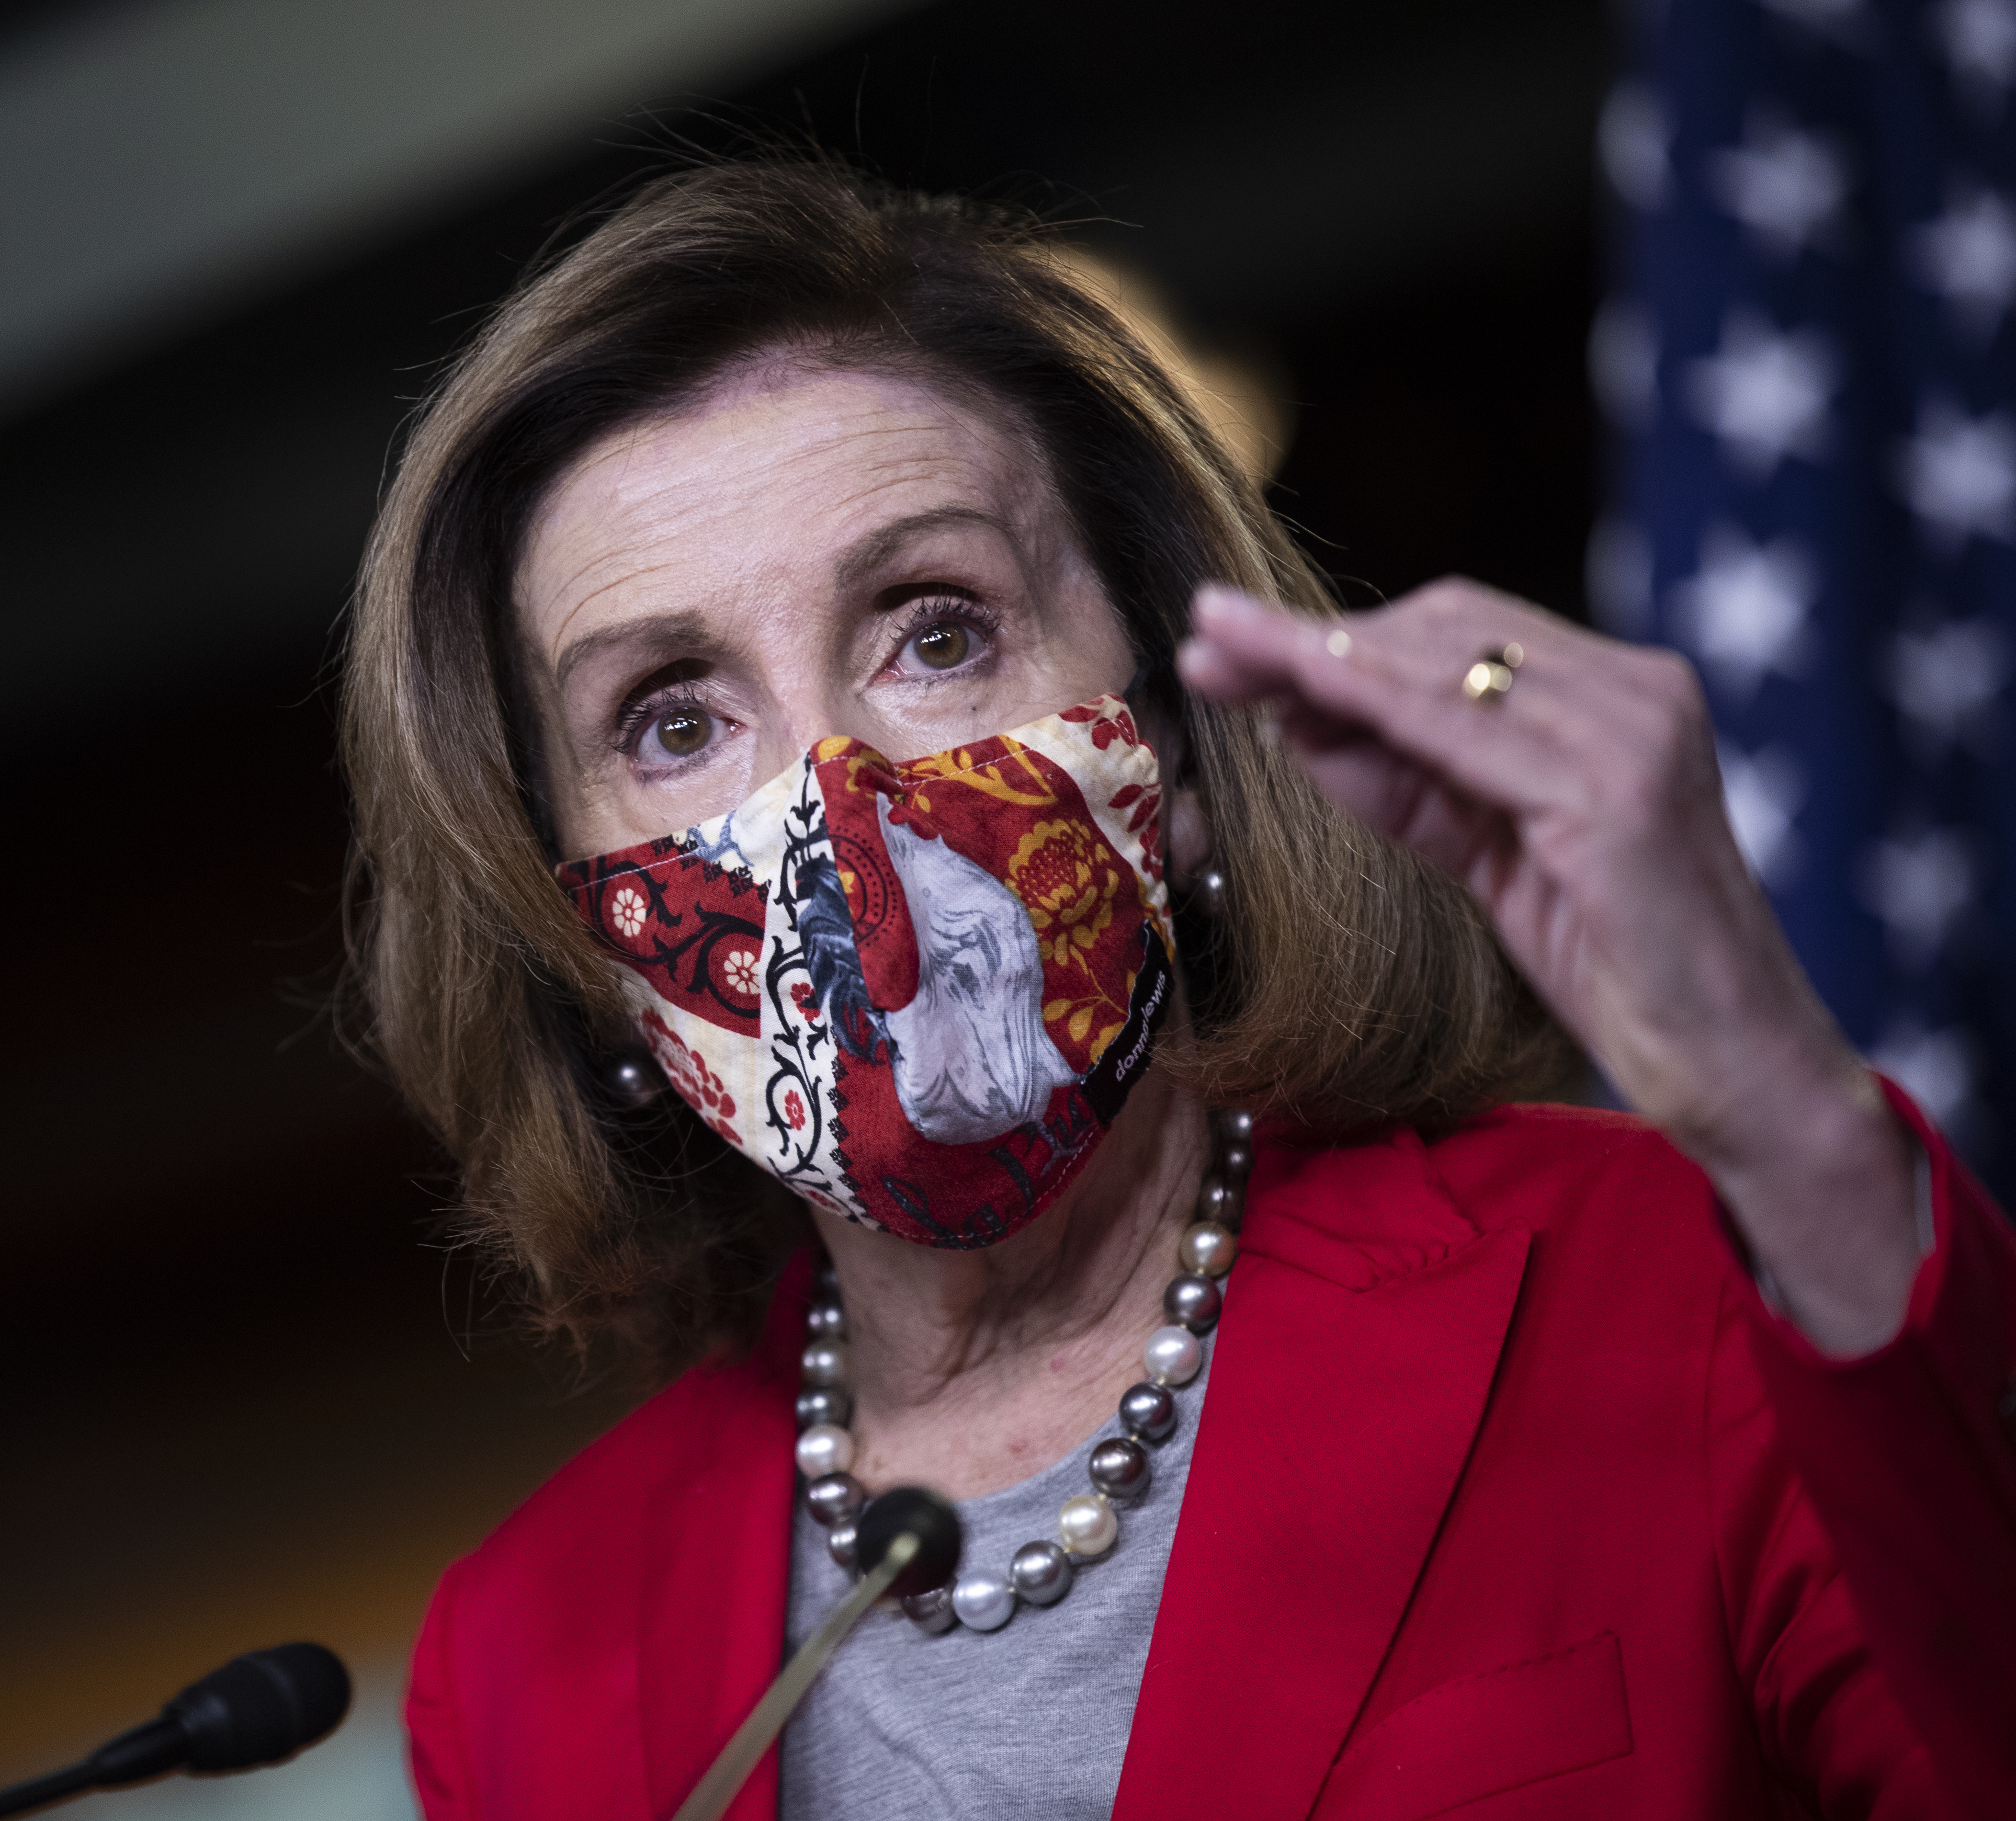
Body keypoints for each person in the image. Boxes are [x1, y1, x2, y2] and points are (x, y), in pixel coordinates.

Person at [338, 163, 2014, 1819]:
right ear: (578, 931)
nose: (836, 801)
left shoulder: (1661, 1284)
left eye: (934, 630)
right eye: (673, 719)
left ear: (1178, 740)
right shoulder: (517, 1669)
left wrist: (1785, 1114)